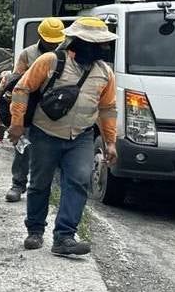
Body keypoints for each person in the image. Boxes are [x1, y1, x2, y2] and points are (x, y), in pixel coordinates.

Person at [7, 17, 117, 257]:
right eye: (98, 44)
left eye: (104, 44)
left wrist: (110, 142)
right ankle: (35, 230)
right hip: (45, 133)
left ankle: (64, 237)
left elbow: (108, 108)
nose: (104, 48)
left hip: (81, 137)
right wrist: (17, 123)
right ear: (80, 42)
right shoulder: (50, 61)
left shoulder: (105, 73)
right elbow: (22, 89)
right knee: (40, 184)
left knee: (79, 181)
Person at [4, 18, 66, 203]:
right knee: (23, 146)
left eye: (56, 41)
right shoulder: (28, 54)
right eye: (49, 41)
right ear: (40, 36)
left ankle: (49, 189)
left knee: (54, 150)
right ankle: (18, 184)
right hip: (31, 107)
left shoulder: (66, 55)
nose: (53, 45)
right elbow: (17, 81)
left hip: (54, 108)